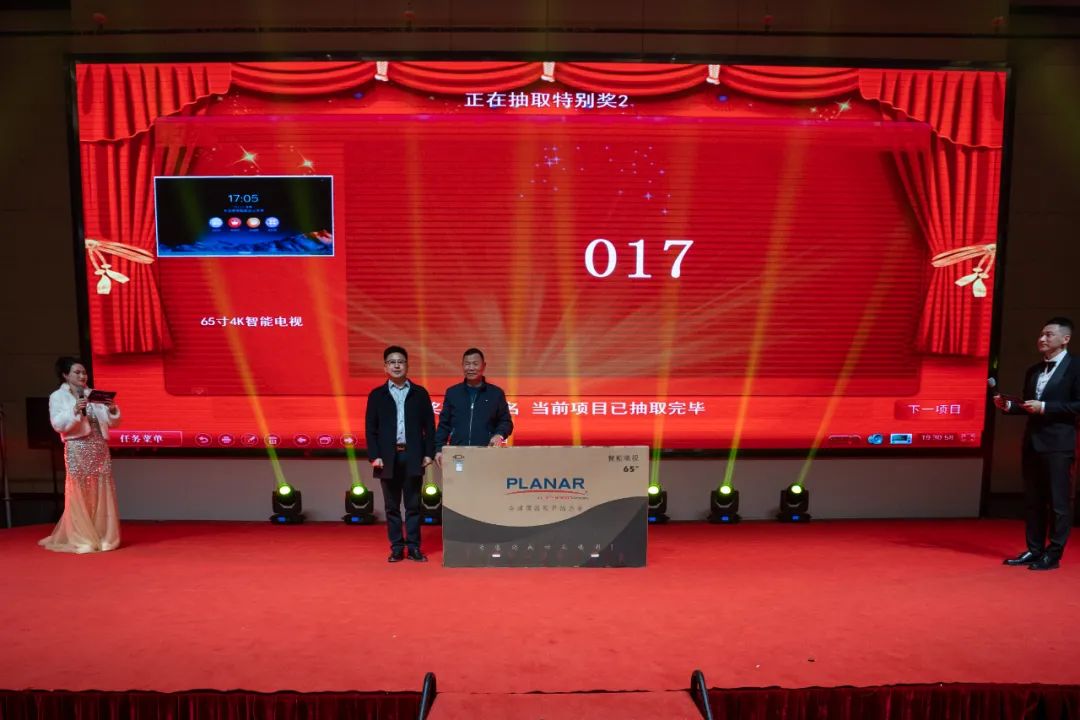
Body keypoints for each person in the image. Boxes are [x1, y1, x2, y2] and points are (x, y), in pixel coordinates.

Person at [995, 317, 1080, 571]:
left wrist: (1045, 407)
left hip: (1059, 444)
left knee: (1058, 503)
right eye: (1041, 334)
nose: (1042, 339)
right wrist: (1010, 407)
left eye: (1049, 334)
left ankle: (1053, 555)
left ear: (1065, 339)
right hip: (1032, 443)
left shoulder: (1076, 367)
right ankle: (1034, 550)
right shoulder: (1033, 370)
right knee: (1033, 500)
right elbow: (1028, 405)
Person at [40, 357, 122, 553]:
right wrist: (74, 410)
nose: (82, 376)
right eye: (77, 372)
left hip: (99, 446)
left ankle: (103, 536)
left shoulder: (94, 394)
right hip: (77, 446)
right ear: (65, 375)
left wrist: (112, 410)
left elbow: (111, 422)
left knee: (101, 489)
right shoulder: (58, 397)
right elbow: (58, 424)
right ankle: (81, 536)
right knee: (80, 489)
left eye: (84, 372)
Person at [365, 346, 436, 563]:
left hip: (412, 456)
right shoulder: (377, 395)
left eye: (401, 362)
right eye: (392, 362)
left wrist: (428, 453)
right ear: (385, 367)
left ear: (407, 365)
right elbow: (371, 428)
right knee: (391, 507)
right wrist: (374, 455)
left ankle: (414, 547)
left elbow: (429, 427)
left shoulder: (420, 393)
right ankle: (396, 547)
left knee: (413, 506)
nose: (397, 365)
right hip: (387, 458)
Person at [434, 348, 514, 468]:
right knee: (458, 480)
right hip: (458, 455)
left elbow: (506, 422)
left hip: (486, 454)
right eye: (467, 364)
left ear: (484, 366)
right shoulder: (453, 393)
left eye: (475, 364)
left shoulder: (496, 394)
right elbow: (444, 425)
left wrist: (499, 434)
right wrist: (439, 449)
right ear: (462, 366)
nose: (471, 368)